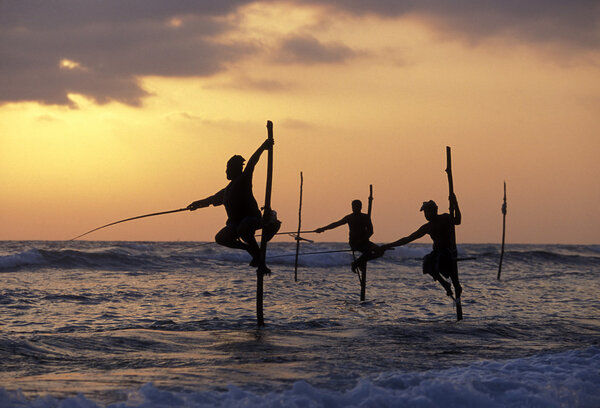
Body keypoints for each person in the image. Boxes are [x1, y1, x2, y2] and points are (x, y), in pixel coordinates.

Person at [187, 138, 279, 275]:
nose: (226, 172)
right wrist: (196, 204)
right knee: (221, 238)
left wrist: (263, 147)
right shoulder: (227, 190)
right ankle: (251, 250)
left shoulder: (244, 179)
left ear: (235, 169)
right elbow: (211, 199)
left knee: (244, 229)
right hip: (235, 224)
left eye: (228, 169)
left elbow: (252, 163)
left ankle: (259, 258)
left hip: (251, 219)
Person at [381, 195, 462, 299]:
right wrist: (388, 245)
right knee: (428, 264)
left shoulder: (445, 218)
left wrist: (455, 204)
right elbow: (408, 239)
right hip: (437, 252)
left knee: (453, 276)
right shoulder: (427, 227)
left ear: (434, 210)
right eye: (425, 213)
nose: (426, 215)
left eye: (428, 212)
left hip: (449, 251)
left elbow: (458, 221)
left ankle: (456, 287)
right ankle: (445, 285)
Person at [315, 199, 384, 273]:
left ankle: (357, 263)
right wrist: (323, 229)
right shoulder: (349, 217)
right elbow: (336, 224)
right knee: (368, 252)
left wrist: (362, 240)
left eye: (356, 206)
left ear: (360, 207)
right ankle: (358, 263)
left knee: (380, 251)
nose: (354, 208)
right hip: (354, 243)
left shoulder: (365, 217)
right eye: (353, 206)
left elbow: (371, 231)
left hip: (365, 242)